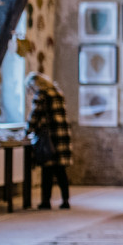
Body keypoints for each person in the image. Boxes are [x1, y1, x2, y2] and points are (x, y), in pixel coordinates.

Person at [25, 73, 73, 210]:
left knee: (47, 171)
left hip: (49, 138)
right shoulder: (57, 92)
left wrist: (26, 132)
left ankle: (46, 201)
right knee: (61, 171)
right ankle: (65, 201)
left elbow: (35, 116)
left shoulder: (42, 94)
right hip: (62, 136)